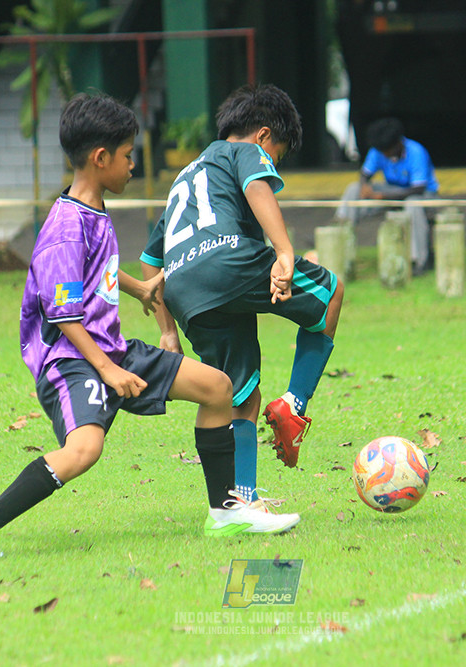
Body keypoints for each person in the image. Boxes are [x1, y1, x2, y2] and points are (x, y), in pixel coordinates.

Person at [0, 94, 298, 563]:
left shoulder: (92, 211)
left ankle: (225, 510)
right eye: (129, 156)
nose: (133, 165)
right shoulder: (66, 226)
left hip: (111, 349)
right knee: (84, 450)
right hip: (73, 360)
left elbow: (98, 270)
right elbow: (63, 314)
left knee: (217, 388)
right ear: (101, 158)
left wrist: (139, 288)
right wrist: (108, 372)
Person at [140, 84, 345, 509]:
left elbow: (148, 260)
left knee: (237, 391)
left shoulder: (186, 177)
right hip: (228, 261)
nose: (271, 164)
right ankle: (294, 406)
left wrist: (168, 333)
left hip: (182, 290)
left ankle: (242, 499)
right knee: (330, 294)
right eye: (276, 155)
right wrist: (285, 252)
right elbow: (256, 186)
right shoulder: (243, 151)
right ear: (263, 136)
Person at [335, 117, 439, 274]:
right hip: (391, 192)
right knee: (353, 189)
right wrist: (364, 186)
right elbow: (365, 174)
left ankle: (417, 261)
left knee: (413, 205)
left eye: (387, 151)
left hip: (423, 195)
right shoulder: (378, 150)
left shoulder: (416, 151)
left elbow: (418, 189)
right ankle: (339, 238)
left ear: (398, 143)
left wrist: (383, 196)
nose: (384, 154)